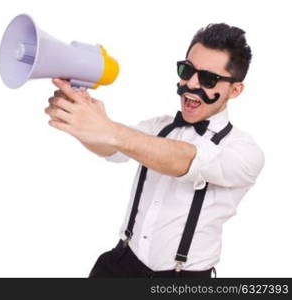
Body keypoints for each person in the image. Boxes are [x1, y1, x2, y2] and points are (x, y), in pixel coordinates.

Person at [44, 23, 264, 277]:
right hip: (121, 262)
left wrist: (109, 129)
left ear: (235, 90)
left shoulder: (245, 152)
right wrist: (80, 121)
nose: (191, 83)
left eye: (208, 78)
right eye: (187, 70)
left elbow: (185, 160)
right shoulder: (160, 126)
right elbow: (113, 149)